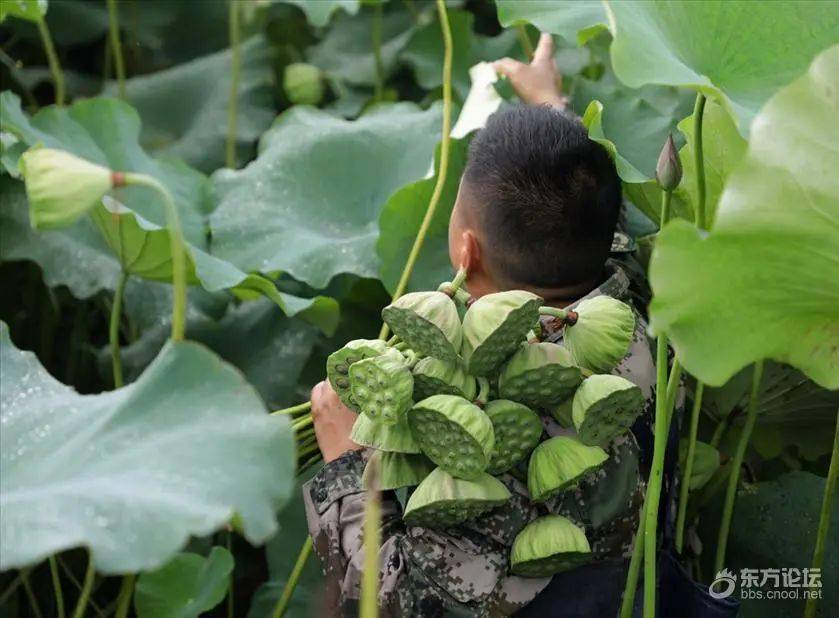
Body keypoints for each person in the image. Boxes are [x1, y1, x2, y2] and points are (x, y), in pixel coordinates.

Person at [304, 34, 659, 617]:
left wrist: (346, 469)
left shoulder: (489, 434)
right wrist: (550, 105)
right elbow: (589, 206)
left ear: (465, 250)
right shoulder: (624, 291)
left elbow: (409, 603)